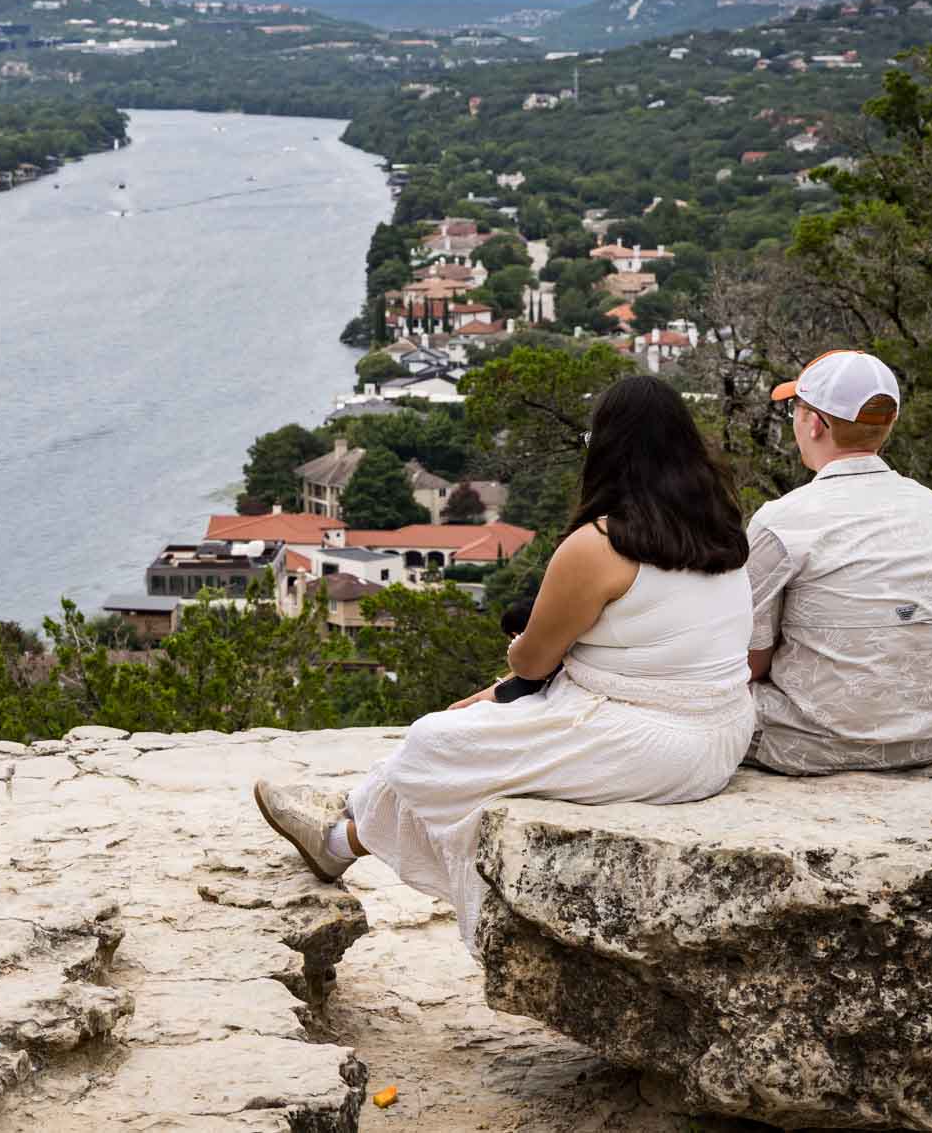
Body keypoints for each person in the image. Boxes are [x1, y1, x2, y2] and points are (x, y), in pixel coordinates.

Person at [253, 375, 755, 949]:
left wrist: (516, 651)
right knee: (473, 727)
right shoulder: (722, 530)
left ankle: (341, 836)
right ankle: (340, 829)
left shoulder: (600, 544)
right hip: (721, 733)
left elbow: (535, 660)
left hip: (648, 740)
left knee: (432, 743)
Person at [745, 350, 932, 775]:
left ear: (814, 423)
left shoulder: (783, 520)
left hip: (810, 742)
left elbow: (749, 659)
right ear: (888, 423)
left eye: (796, 410)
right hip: (924, 739)